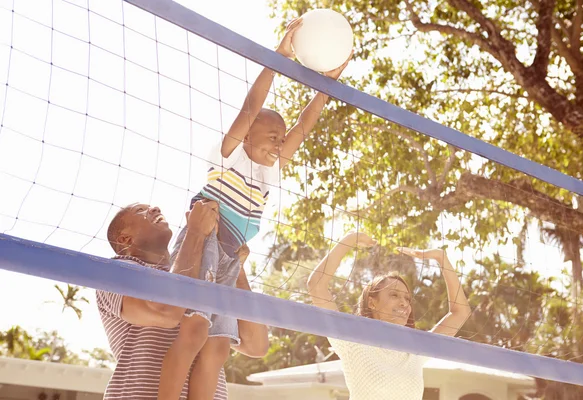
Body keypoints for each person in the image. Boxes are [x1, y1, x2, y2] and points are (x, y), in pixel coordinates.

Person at [158, 16, 352, 400]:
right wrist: (277, 59)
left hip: (234, 252)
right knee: (195, 328)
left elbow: (304, 125)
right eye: (271, 136)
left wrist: (328, 84)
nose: (279, 143)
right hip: (207, 237)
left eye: (281, 139)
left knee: (217, 345)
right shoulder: (229, 154)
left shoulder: (272, 169)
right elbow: (252, 105)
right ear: (247, 134)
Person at [98, 201, 269, 400]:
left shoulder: (199, 272)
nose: (155, 208)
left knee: (216, 346)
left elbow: (256, 345)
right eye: (141, 210)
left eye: (153, 207)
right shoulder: (115, 272)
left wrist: (234, 267)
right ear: (125, 239)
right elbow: (167, 312)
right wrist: (195, 232)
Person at [306, 232, 472, 400]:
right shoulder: (353, 343)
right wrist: (349, 239)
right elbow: (317, 286)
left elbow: (460, 312)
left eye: (407, 298)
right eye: (394, 295)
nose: (404, 303)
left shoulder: (414, 351)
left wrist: (441, 258)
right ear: (372, 303)